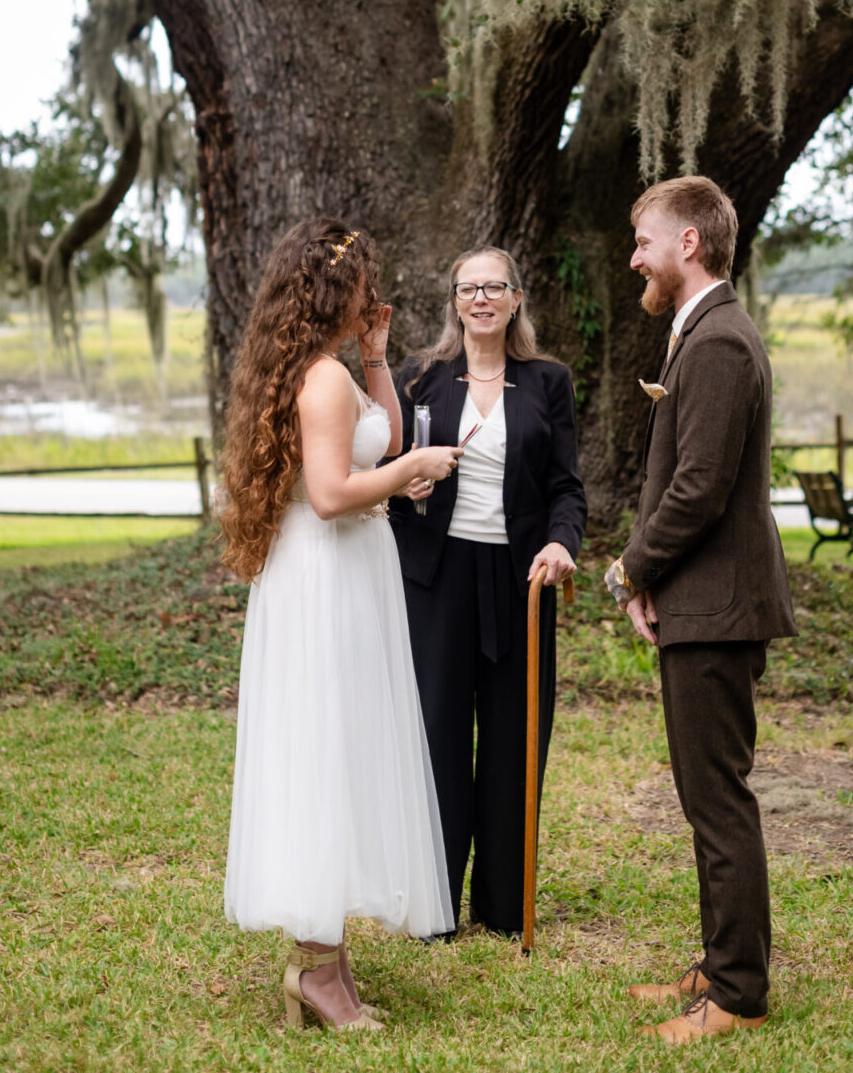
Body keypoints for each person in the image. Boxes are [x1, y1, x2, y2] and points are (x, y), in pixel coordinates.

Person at [220, 220, 463, 1032]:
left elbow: (383, 436)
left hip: (342, 573)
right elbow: (331, 491)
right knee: (324, 755)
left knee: (341, 753)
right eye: (364, 280)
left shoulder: (333, 372)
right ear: (334, 289)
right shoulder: (317, 380)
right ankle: (316, 974)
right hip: (325, 575)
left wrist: (378, 357)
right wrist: (411, 473)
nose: (374, 290)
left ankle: (328, 965)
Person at [605, 177, 797, 1046]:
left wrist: (628, 569)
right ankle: (720, 962)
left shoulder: (719, 342)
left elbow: (699, 488)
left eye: (644, 240)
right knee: (705, 795)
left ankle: (738, 993)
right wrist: (654, 584)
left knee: (717, 800)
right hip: (698, 600)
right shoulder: (704, 333)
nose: (635, 256)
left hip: (718, 607)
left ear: (688, 244)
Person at [388, 246, 587, 937]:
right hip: (436, 582)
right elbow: (386, 469)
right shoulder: (419, 377)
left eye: (493, 287)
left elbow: (566, 486)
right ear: (454, 301)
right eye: (467, 287)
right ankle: (434, 907)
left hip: (519, 580)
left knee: (513, 740)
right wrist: (402, 481)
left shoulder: (548, 381)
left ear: (515, 299)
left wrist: (562, 542)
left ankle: (504, 907)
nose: (480, 298)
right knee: (437, 738)